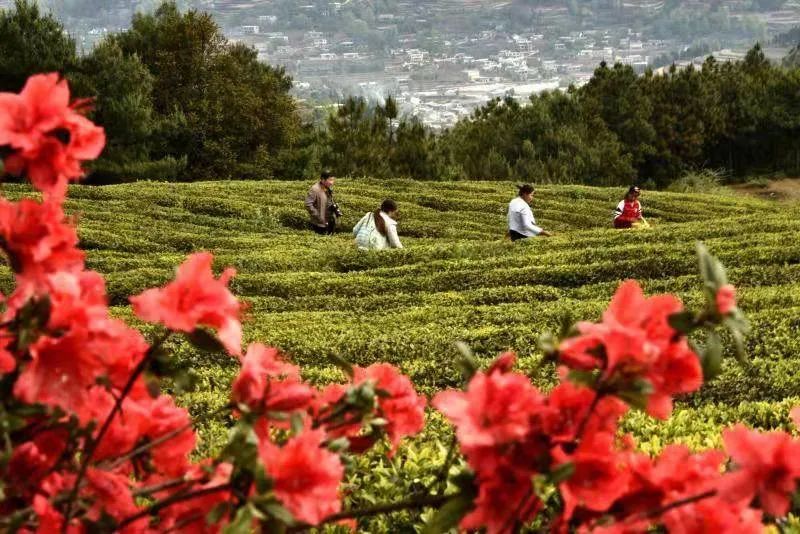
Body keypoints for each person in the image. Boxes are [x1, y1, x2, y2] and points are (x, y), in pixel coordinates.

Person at [305, 170, 341, 235]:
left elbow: (328, 200)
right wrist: (318, 216)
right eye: (330, 180)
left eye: (333, 180)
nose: (332, 182)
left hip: (329, 220)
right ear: (322, 180)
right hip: (319, 224)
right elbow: (308, 204)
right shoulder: (314, 189)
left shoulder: (328, 188)